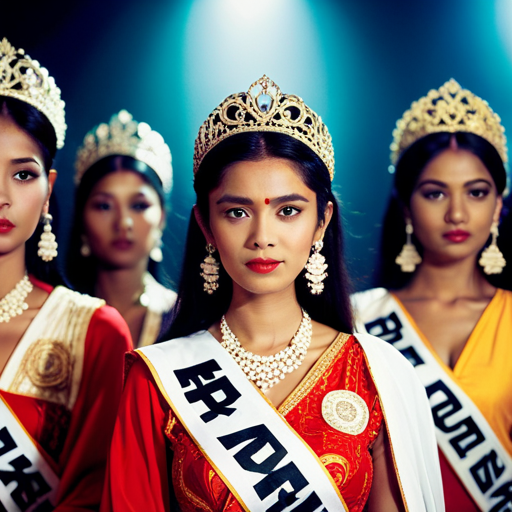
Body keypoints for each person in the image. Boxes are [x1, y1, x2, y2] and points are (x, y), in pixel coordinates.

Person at [102, 75, 444, 512]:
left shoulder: (377, 373)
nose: (262, 236)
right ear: (206, 225)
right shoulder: (156, 380)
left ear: (321, 221)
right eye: (237, 211)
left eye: (288, 211)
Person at [352, 79, 512, 512]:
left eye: (476, 193)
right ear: (406, 205)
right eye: (435, 193)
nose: (457, 213)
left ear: (498, 204)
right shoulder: (359, 320)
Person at [0, 38, 132, 510]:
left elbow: (98, 495)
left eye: (22, 174)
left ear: (49, 187)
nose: (3, 197)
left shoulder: (92, 332)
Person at [67, 110, 176, 347]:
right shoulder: (55, 318)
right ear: (82, 218)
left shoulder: (186, 320)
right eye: (104, 206)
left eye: (139, 205)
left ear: (162, 218)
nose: (123, 222)